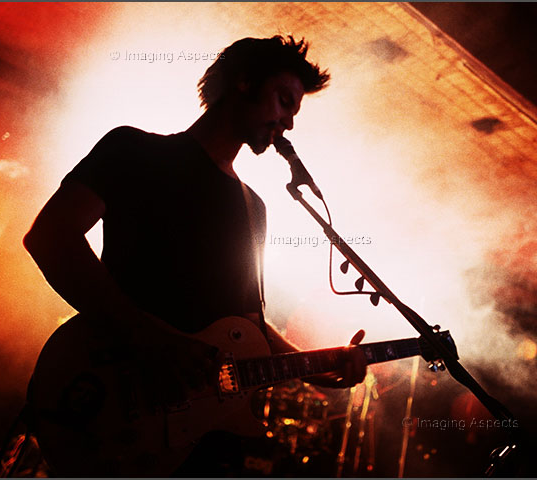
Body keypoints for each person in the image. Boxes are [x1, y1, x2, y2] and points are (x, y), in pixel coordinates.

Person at [23, 35, 367, 475]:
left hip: (199, 441)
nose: (289, 124)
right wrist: (149, 339)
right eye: (284, 101)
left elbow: (249, 327)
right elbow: (51, 236)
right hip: (112, 398)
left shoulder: (253, 207)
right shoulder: (134, 151)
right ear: (244, 82)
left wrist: (319, 364)